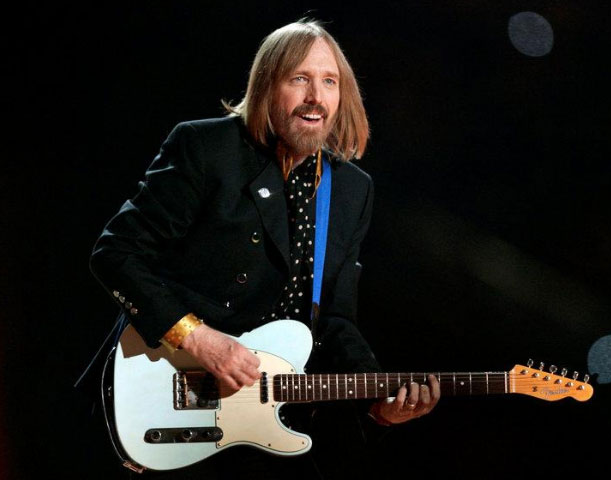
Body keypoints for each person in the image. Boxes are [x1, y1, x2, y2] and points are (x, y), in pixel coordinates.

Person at [89, 19, 440, 478]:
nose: (316, 96)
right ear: (266, 86)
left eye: (329, 82)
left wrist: (377, 403)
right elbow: (116, 254)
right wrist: (196, 337)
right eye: (300, 79)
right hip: (170, 397)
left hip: (267, 425)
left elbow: (333, 319)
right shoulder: (207, 147)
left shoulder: (352, 190)